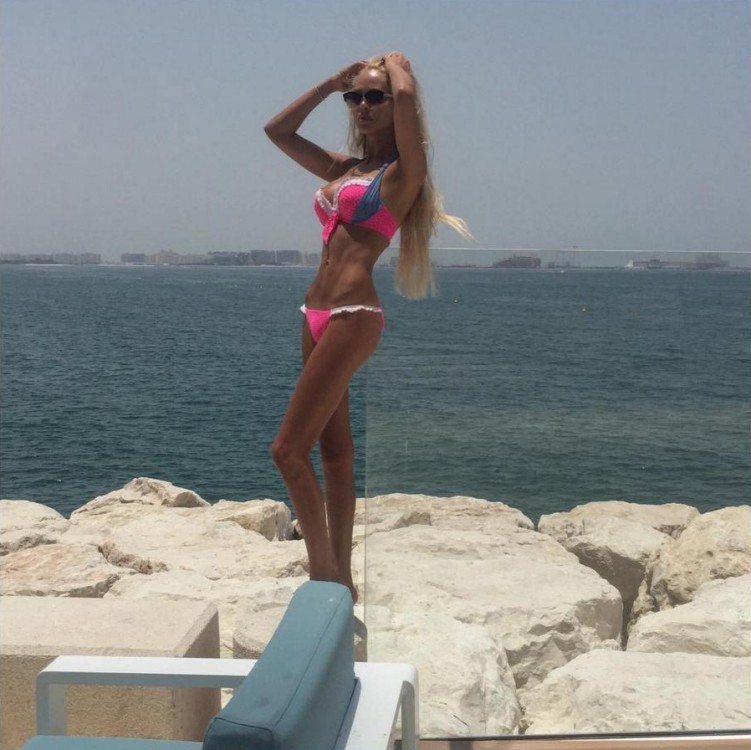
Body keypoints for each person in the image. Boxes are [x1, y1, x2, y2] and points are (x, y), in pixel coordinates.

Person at [264, 52, 470, 602]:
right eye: (354, 97)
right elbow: (277, 131)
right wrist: (330, 83)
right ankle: (346, 582)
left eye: (373, 96)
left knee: (286, 451)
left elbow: (406, 98)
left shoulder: (404, 173)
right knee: (334, 453)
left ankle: (322, 578)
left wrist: (399, 70)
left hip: (353, 315)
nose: (363, 105)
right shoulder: (343, 170)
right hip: (313, 313)